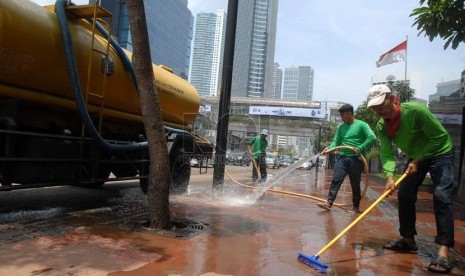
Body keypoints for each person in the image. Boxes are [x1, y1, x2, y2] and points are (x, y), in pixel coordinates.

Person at [367, 84, 455, 274]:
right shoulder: (382, 124)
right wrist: (390, 175)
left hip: (440, 152)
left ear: (391, 98)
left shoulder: (416, 111)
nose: (378, 110)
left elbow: (439, 138)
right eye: (374, 107)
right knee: (405, 194)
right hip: (417, 156)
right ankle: (408, 240)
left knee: (441, 195)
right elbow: (386, 152)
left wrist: (419, 160)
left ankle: (443, 250)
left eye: (381, 104)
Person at [317, 104, 377, 213]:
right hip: (343, 157)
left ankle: (355, 207)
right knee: (336, 179)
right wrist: (329, 148)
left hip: (356, 159)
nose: (341, 118)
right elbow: (336, 142)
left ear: (350, 113)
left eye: (343, 115)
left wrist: (360, 148)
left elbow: (372, 137)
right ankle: (329, 203)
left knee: (355, 183)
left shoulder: (362, 125)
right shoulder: (341, 127)